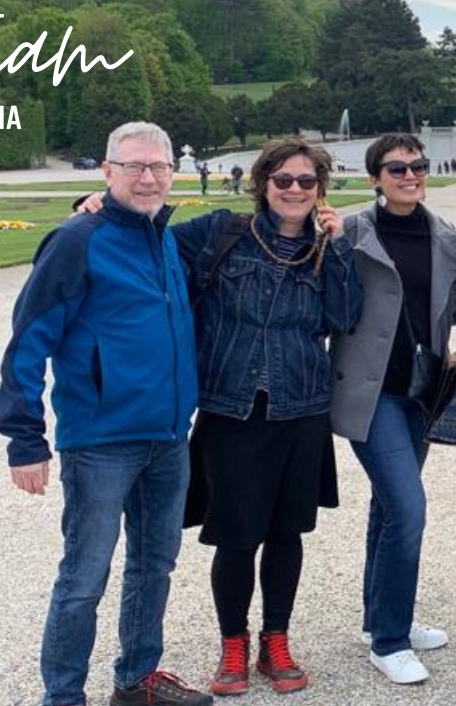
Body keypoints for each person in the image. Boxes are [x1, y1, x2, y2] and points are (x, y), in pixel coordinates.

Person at [0, 122, 212, 706]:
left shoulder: (166, 239)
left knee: (154, 567)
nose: (148, 178)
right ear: (107, 171)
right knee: (84, 578)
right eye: (134, 166)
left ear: (174, 173)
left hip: (168, 437)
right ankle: (63, 696)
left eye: (159, 167)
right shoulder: (77, 240)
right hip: (101, 442)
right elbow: (28, 342)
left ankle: (137, 680)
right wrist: (24, 438)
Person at [176, 140, 362, 696]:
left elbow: (345, 316)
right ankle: (233, 642)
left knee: (286, 531)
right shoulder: (223, 232)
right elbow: (147, 241)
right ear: (263, 184)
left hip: (300, 407)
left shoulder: (326, 249)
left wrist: (339, 248)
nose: (295, 190)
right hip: (232, 407)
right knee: (236, 534)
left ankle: (275, 640)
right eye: (283, 180)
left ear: (320, 189)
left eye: (307, 181)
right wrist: (95, 206)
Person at [329, 133, 456, 685]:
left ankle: (380, 620)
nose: (410, 175)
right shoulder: (349, 232)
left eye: (418, 166)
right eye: (397, 169)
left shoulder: (447, 237)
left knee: (388, 508)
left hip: (420, 389)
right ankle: (390, 641)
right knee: (408, 510)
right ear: (375, 179)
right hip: (371, 392)